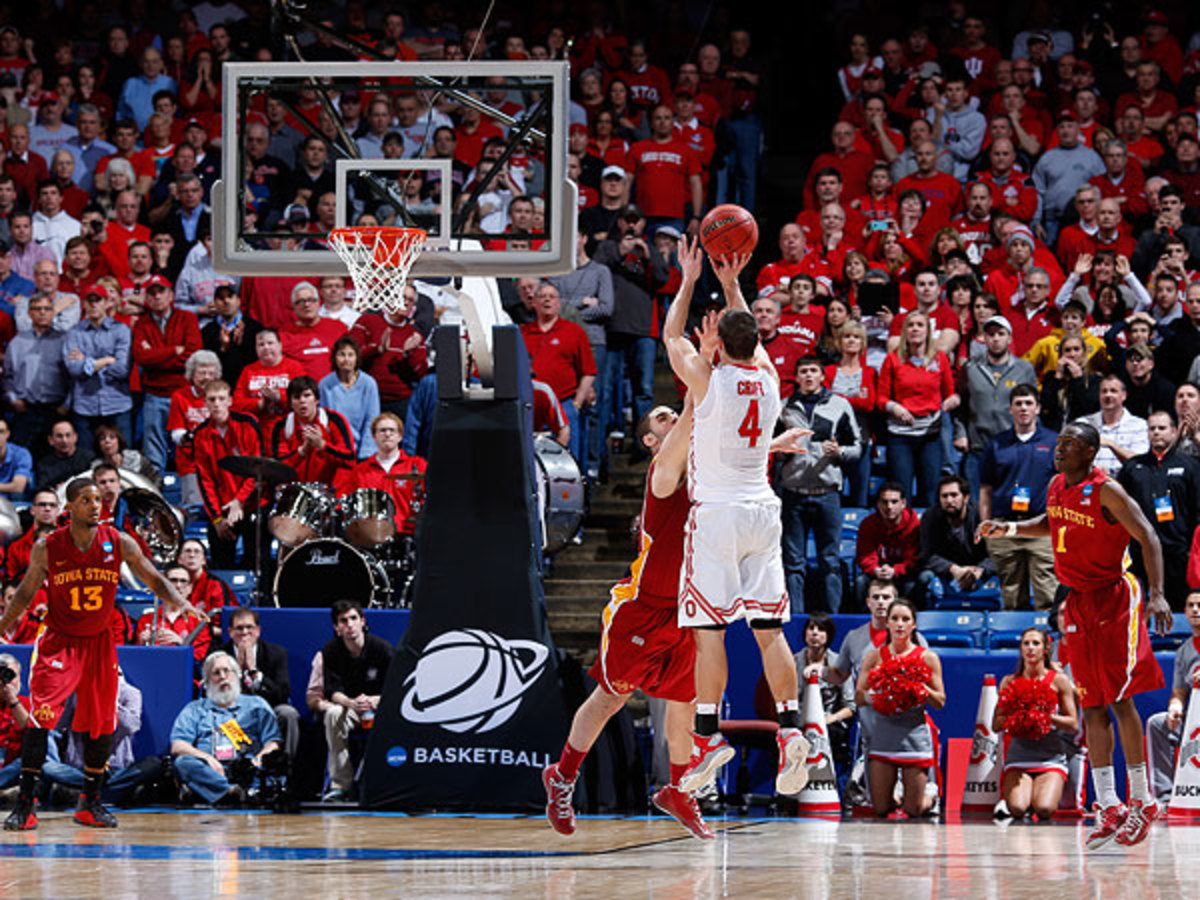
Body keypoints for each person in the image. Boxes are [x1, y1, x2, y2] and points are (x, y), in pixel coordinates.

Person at [661, 239, 811, 798]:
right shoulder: (771, 380)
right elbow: (750, 335)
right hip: (762, 511)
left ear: (719, 342)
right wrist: (729, 284)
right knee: (771, 632)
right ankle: (793, 727)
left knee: (708, 634)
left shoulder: (708, 379)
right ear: (758, 344)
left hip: (718, 515)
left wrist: (689, 278)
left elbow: (672, 337)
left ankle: (706, 734)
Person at [978, 420, 1172, 850]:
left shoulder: (1109, 491)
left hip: (1115, 596)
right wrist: (1008, 528)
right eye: (1060, 441)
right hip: (1078, 601)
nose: (1059, 448)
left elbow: (1149, 537)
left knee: (1120, 700)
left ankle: (1143, 799)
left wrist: (1158, 594)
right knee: (1093, 705)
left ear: (1090, 452)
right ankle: (1108, 805)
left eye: (1069, 444)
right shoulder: (1055, 486)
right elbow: (1052, 523)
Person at [543, 395, 712, 840]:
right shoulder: (661, 473)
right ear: (651, 441)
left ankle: (677, 788)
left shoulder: (703, 470)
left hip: (684, 606)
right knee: (610, 698)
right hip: (642, 607)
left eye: (675, 413)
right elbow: (696, 412)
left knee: (684, 703)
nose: (674, 417)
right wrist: (697, 375)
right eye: (663, 418)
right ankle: (561, 776)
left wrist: (774, 445)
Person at [0, 476, 203, 830]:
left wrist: (180, 601)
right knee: (40, 719)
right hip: (59, 641)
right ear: (70, 507)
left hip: (99, 643)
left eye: (99, 499)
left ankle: (89, 802)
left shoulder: (119, 542)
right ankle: (25, 804)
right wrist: (3, 625)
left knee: (102, 722)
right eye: (87, 500)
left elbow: (154, 578)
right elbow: (25, 593)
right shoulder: (48, 546)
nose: (96, 505)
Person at [777, 356, 861, 613]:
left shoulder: (839, 405)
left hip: (828, 494)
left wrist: (840, 452)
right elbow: (769, 446)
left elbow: (857, 447)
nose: (809, 376)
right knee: (793, 563)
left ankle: (834, 618)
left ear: (823, 376)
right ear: (797, 377)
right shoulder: (784, 408)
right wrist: (782, 451)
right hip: (794, 493)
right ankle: (797, 618)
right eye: (803, 371)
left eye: (814, 370)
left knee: (831, 561)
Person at [854, 597, 945, 818]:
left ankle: (930, 795)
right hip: (883, 735)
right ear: (887, 623)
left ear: (914, 625)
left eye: (906, 619)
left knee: (913, 810)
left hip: (914, 736)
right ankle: (896, 794)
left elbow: (940, 701)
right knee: (881, 808)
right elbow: (858, 697)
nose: (900, 624)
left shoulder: (927, 658)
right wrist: (879, 696)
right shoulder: (874, 656)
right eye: (895, 618)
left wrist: (919, 689)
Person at [978, 385, 1058, 610]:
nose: (1023, 408)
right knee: (1011, 596)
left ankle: (1047, 643)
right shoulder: (996, 444)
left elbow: (1065, 487)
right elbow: (985, 489)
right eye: (1018, 404)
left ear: (1038, 408)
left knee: (1048, 594)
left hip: (1042, 526)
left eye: (1028, 403)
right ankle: (1015, 644)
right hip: (1004, 526)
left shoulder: (1054, 442)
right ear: (1010, 409)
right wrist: (986, 524)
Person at [305, 601, 392, 802]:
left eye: (353, 618)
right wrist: (351, 703)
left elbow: (395, 689)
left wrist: (373, 700)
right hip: (350, 707)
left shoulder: (382, 649)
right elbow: (332, 691)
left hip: (380, 706)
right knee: (333, 714)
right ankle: (341, 785)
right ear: (336, 628)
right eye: (343, 621)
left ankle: (384, 782)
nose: (349, 624)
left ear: (363, 621)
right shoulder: (331, 651)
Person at [169, 651, 282, 806]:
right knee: (183, 762)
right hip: (209, 771)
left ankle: (214, 793)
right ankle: (228, 792)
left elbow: (273, 742)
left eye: (226, 671)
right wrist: (206, 758)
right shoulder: (194, 709)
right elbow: (178, 745)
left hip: (248, 769)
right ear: (207, 682)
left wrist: (257, 760)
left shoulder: (257, 704)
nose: (222, 677)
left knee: (271, 765)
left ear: (237, 675)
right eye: (216, 673)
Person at [993, 628, 1079, 820]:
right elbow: (996, 724)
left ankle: (1038, 795)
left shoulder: (1059, 681)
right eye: (1026, 643)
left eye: (1036, 643)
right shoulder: (1009, 681)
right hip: (1019, 756)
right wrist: (1019, 717)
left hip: (1051, 757)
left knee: (1045, 808)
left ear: (1046, 649)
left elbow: (1073, 724)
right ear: (1021, 648)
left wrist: (1046, 717)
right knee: (1016, 808)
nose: (1030, 648)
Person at [1118, 411, 1200, 611]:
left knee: (1178, 608)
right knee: (1135, 608)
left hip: (1177, 551)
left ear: (1173, 431)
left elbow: (1197, 508)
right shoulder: (1133, 467)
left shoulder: (1189, 465)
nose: (1156, 433)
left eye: (1162, 428)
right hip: (1139, 551)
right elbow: (1118, 509)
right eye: (1152, 428)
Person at [877, 310, 958, 507]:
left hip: (930, 433)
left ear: (928, 331)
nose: (915, 329)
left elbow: (951, 394)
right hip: (900, 434)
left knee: (931, 492)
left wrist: (951, 401)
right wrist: (895, 408)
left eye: (920, 325)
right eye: (910, 325)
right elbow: (880, 398)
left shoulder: (940, 359)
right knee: (901, 491)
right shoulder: (893, 359)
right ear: (905, 331)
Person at [957, 315, 1038, 497]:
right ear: (984, 339)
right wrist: (961, 433)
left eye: (1000, 334)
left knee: (1014, 504)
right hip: (979, 448)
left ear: (1009, 338)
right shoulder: (970, 368)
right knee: (978, 507)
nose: (995, 339)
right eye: (990, 334)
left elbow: (1033, 408)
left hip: (1013, 447)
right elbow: (961, 406)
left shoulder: (1024, 369)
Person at [131, 275, 203, 472]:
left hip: (183, 393)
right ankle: (157, 493)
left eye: (161, 292)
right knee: (154, 452)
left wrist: (155, 356)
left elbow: (192, 355)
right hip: (154, 394)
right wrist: (173, 351)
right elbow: (141, 357)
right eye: (152, 293)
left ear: (171, 295)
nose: (157, 297)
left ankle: (189, 495)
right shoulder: (141, 324)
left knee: (187, 447)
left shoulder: (187, 318)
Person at [193, 379, 266, 570]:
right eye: (212, 399)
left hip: (251, 505)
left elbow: (257, 470)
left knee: (256, 563)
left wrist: (239, 501)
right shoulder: (200, 435)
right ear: (205, 403)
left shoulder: (248, 424)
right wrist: (217, 519)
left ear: (230, 401)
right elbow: (204, 479)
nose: (217, 404)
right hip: (222, 511)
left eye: (221, 398)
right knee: (220, 563)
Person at [220, 607, 300, 759]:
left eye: (249, 627)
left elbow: (283, 694)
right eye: (239, 628)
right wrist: (234, 671)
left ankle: (286, 767)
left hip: (268, 708)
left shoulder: (276, 653)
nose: (244, 632)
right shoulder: (219, 654)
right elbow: (213, 693)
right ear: (230, 632)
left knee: (289, 714)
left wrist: (255, 672)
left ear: (257, 630)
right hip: (229, 710)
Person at [62, 285, 133, 455]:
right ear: (84, 304)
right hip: (85, 405)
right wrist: (107, 360)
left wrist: (86, 363)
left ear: (107, 303)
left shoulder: (121, 330)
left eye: (98, 300)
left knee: (123, 458)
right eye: (89, 301)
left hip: (117, 403)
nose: (93, 305)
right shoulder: (74, 332)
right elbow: (73, 368)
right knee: (86, 460)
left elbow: (122, 368)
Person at [332, 413, 426, 538]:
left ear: (400, 436)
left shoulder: (418, 465)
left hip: (407, 536)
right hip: (371, 537)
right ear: (374, 436)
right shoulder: (360, 471)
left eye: (392, 430)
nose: (387, 434)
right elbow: (343, 504)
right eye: (382, 431)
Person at [1145, 591, 1200, 804]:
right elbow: (1178, 691)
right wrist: (1175, 707)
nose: (1195, 610)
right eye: (1190, 606)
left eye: (1199, 605)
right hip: (1193, 719)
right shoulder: (1184, 651)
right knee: (1158, 723)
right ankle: (1165, 798)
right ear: (1185, 612)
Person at [792, 613, 855, 776]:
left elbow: (851, 706)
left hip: (829, 723)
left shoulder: (838, 663)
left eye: (820, 629)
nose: (814, 633)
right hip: (797, 721)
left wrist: (830, 719)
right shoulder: (793, 662)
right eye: (811, 628)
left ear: (828, 636)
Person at [919, 475, 995, 604]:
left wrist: (980, 570)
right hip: (946, 570)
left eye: (954, 495)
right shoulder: (930, 517)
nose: (949, 500)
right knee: (924, 577)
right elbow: (927, 555)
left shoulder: (983, 517)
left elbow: (997, 553)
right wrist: (954, 569)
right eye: (944, 496)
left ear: (966, 497)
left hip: (979, 569)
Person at [271, 376, 356, 484]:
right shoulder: (282, 426)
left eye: (307, 395)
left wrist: (322, 445)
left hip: (330, 492)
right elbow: (277, 468)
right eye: (297, 397)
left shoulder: (334, 420)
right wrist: (302, 451)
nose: (302, 401)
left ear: (317, 400)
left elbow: (350, 459)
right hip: (295, 491)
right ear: (290, 403)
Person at [233, 327, 306, 441]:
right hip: (256, 432)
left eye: (270, 343)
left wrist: (279, 397)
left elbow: (304, 398)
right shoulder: (248, 371)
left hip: (289, 430)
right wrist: (260, 404)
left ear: (280, 345)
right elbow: (236, 404)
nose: (266, 347)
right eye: (261, 344)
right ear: (256, 349)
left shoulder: (294, 368)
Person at [855, 483, 921, 605]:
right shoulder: (868, 524)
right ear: (878, 504)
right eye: (884, 502)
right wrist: (876, 570)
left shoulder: (914, 525)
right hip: (877, 573)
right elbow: (865, 556)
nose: (889, 507)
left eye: (894, 502)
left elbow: (914, 559)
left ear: (903, 503)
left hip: (904, 574)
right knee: (861, 582)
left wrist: (895, 570)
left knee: (912, 584)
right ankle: (863, 619)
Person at [319, 336, 380, 460]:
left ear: (357, 358)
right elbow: (324, 421)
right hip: (336, 449)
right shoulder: (325, 384)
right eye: (341, 355)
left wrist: (365, 454)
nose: (346, 359)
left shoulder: (369, 383)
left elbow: (372, 419)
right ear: (334, 358)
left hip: (364, 450)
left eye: (350, 355)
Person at [1083, 374, 1149, 476]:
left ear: (1124, 396)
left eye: (1113, 391)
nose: (1108, 395)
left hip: (1126, 484)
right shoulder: (1084, 424)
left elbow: (1140, 462)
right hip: (1090, 483)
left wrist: (1111, 445)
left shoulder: (1139, 425)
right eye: (1104, 391)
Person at [35, 418, 91, 488]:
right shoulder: (44, 464)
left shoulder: (89, 458)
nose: (64, 440)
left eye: (68, 435)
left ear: (75, 437)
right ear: (51, 440)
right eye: (59, 436)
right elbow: (43, 489)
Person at [0, 418, 33, 498]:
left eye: (1, 432)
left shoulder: (21, 454)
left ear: (8, 434)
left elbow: (18, 487)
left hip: (11, 503)